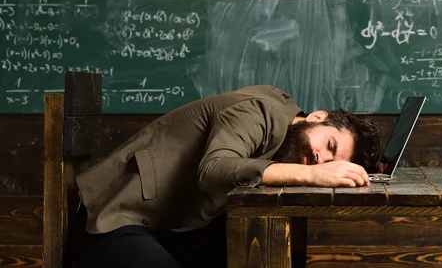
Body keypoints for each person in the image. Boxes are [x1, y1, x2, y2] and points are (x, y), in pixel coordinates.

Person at [71, 85, 380, 268]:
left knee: (284, 257)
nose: (319, 160)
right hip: (110, 221)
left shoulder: (284, 137)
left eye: (330, 161)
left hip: (170, 226)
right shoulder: (261, 111)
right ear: (317, 117)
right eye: (329, 145)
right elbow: (213, 169)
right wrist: (312, 175)